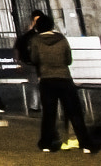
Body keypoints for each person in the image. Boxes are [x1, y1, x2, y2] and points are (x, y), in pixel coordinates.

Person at [24, 13, 89, 153]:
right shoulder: (61, 39)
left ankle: (46, 143)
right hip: (64, 77)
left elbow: (34, 59)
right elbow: (68, 59)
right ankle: (85, 144)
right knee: (74, 112)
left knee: (49, 113)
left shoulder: (36, 40)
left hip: (47, 79)